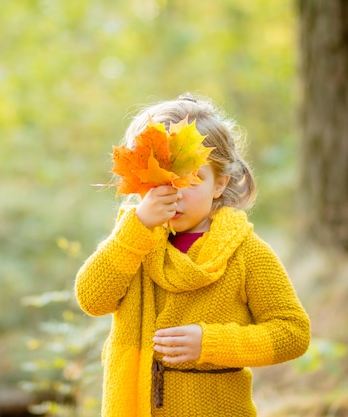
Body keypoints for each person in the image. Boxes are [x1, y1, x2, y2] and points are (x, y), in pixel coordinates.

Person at [75, 93, 310, 417]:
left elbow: (292, 332)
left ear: (220, 183)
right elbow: (92, 298)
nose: (174, 193)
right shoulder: (134, 242)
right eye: (160, 179)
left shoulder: (245, 252)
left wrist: (211, 343)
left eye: (191, 180)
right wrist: (138, 227)